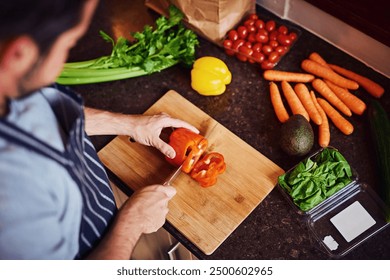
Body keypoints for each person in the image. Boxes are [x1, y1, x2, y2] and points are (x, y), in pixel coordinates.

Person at [0, 0, 199, 259]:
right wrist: (133, 222)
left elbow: (47, 107)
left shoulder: (11, 80)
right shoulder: (11, 196)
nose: (64, 61)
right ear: (18, 55)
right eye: (69, 45)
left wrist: (129, 124)